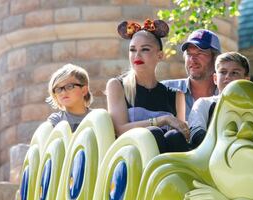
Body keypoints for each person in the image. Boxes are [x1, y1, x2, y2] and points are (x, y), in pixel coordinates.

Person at [105, 19, 189, 153]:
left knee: (175, 136)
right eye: (132, 50)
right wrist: (163, 120)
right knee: (153, 133)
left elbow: (182, 134)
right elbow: (119, 130)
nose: (137, 55)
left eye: (145, 49)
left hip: (165, 159)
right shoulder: (117, 85)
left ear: (160, 55)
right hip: (131, 159)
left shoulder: (176, 95)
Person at [188, 52, 253, 149]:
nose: (227, 76)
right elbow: (196, 134)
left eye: (234, 73)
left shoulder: (251, 108)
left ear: (246, 80)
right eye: (223, 72)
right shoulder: (204, 103)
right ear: (215, 78)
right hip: (210, 155)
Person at [162, 29, 221, 118]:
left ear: (216, 59)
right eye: (189, 54)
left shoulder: (227, 96)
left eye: (200, 53)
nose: (192, 59)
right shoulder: (164, 90)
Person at [46, 63, 92, 132]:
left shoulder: (96, 117)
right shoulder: (56, 120)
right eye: (58, 89)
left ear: (84, 90)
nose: (63, 92)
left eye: (69, 86)